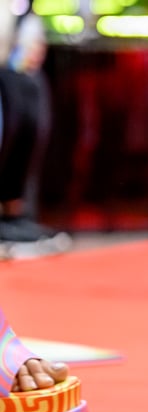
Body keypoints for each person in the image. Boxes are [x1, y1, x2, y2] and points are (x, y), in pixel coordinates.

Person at [0, 0, 70, 254]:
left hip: (21, 76)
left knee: (28, 135)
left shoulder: (26, 13)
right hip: (4, 75)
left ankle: (12, 214)